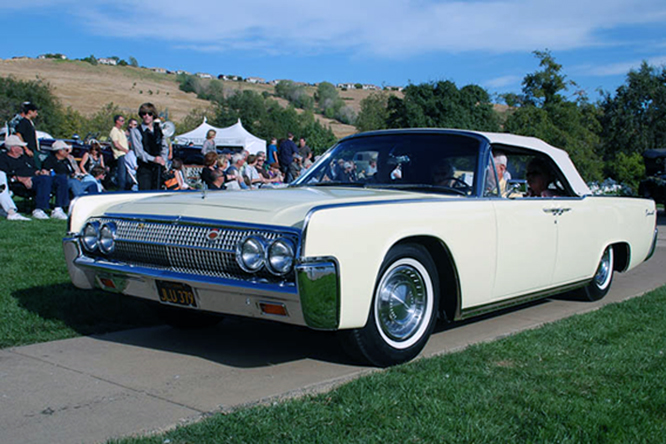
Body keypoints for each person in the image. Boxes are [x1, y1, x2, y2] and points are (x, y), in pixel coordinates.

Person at [0, 135, 69, 220]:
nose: (23, 148)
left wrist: (40, 172)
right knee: (44, 179)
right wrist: (21, 179)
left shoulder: (25, 157)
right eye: (21, 146)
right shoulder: (3, 159)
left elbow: (34, 169)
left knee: (61, 178)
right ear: (13, 148)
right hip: (19, 182)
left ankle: (58, 209)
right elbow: (5, 175)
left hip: (34, 178)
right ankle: (39, 209)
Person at [129, 103, 169, 190]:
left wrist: (163, 160)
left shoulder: (159, 130)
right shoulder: (135, 131)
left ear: (153, 115)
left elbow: (164, 147)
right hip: (145, 169)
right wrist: (153, 159)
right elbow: (139, 152)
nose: (147, 116)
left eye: (149, 114)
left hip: (158, 169)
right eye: (144, 114)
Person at [15, 102, 45, 166]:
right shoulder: (23, 122)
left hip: (33, 149)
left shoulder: (29, 122)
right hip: (27, 151)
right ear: (30, 112)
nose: (36, 114)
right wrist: (26, 149)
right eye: (35, 112)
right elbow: (18, 134)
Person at [109, 114, 130, 190]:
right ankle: (121, 189)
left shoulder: (121, 131)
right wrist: (125, 150)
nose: (123, 122)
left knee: (128, 174)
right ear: (117, 121)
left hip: (126, 155)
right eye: (121, 121)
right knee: (122, 175)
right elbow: (116, 144)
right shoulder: (114, 131)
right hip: (120, 155)